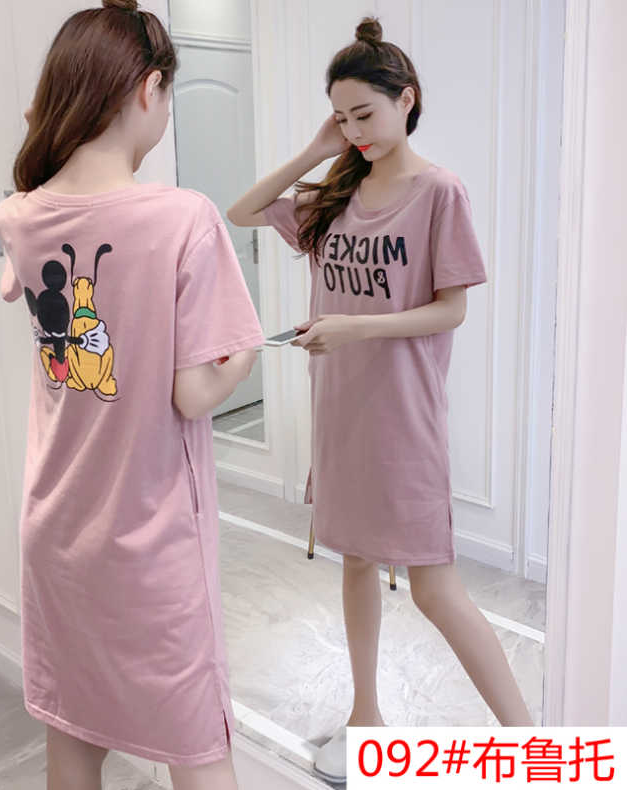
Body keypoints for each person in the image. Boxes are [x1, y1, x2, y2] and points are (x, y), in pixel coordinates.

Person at [228, 15, 533, 784]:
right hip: (341, 414)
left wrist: (353, 328)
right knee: (357, 561)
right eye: (342, 118)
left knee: (435, 587)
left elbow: (450, 310)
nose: (355, 131)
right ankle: (366, 716)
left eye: (364, 113)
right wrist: (315, 151)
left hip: (403, 417)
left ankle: (534, 744)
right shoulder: (336, 193)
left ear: (407, 100)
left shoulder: (439, 193)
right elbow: (243, 211)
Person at [0, 2, 263, 788]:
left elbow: (30, 223)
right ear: (149, 90)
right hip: (150, 547)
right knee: (197, 748)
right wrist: (245, 357)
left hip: (56, 535)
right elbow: (194, 393)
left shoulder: (21, 216)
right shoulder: (184, 218)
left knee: (74, 738)